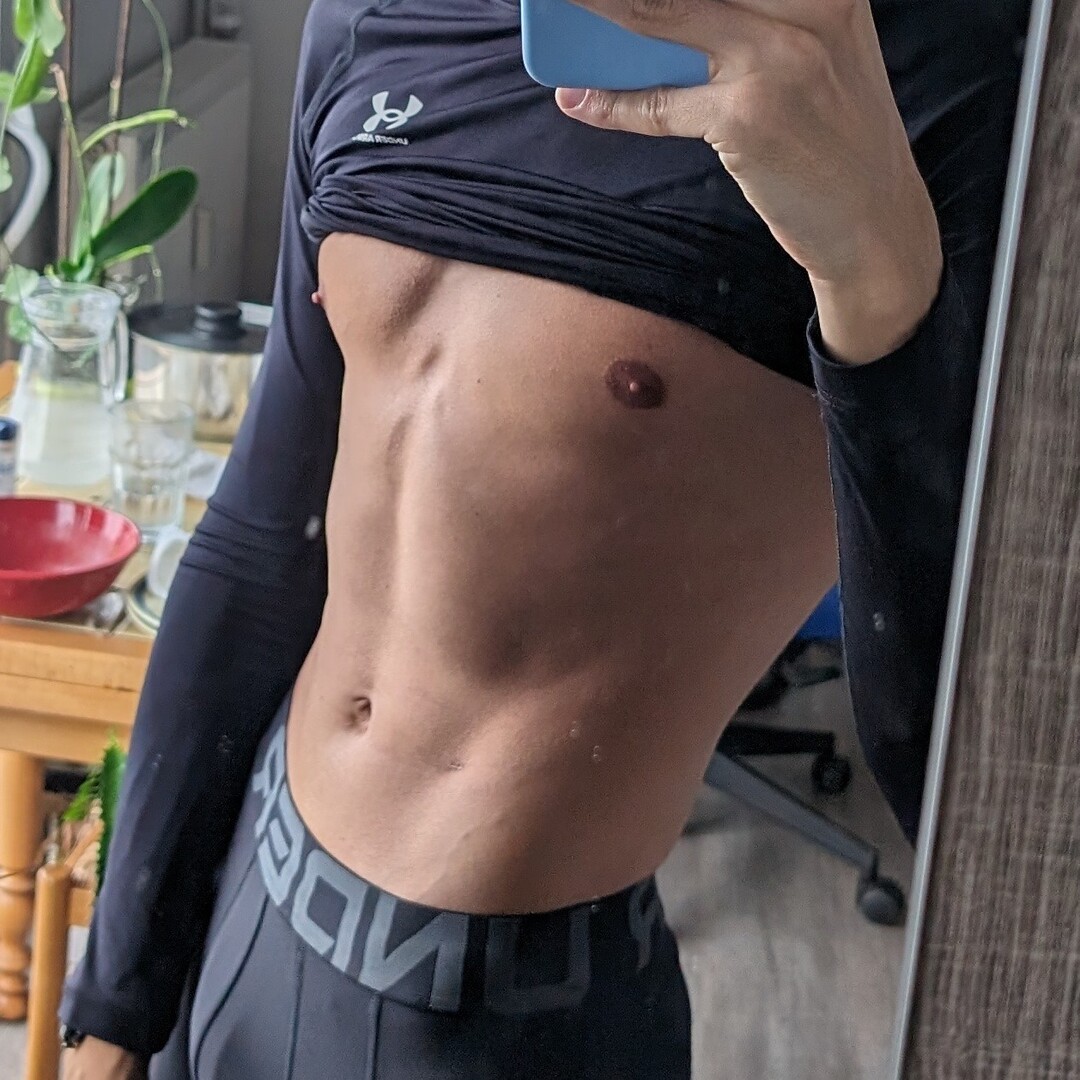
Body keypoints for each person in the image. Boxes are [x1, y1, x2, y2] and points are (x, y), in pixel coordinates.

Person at [60, 0, 1029, 1076]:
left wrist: (879, 279)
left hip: (507, 1017)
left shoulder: (935, 75)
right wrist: (117, 1000)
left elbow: (977, 803)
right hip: (247, 897)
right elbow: (260, 538)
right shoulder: (378, 13)